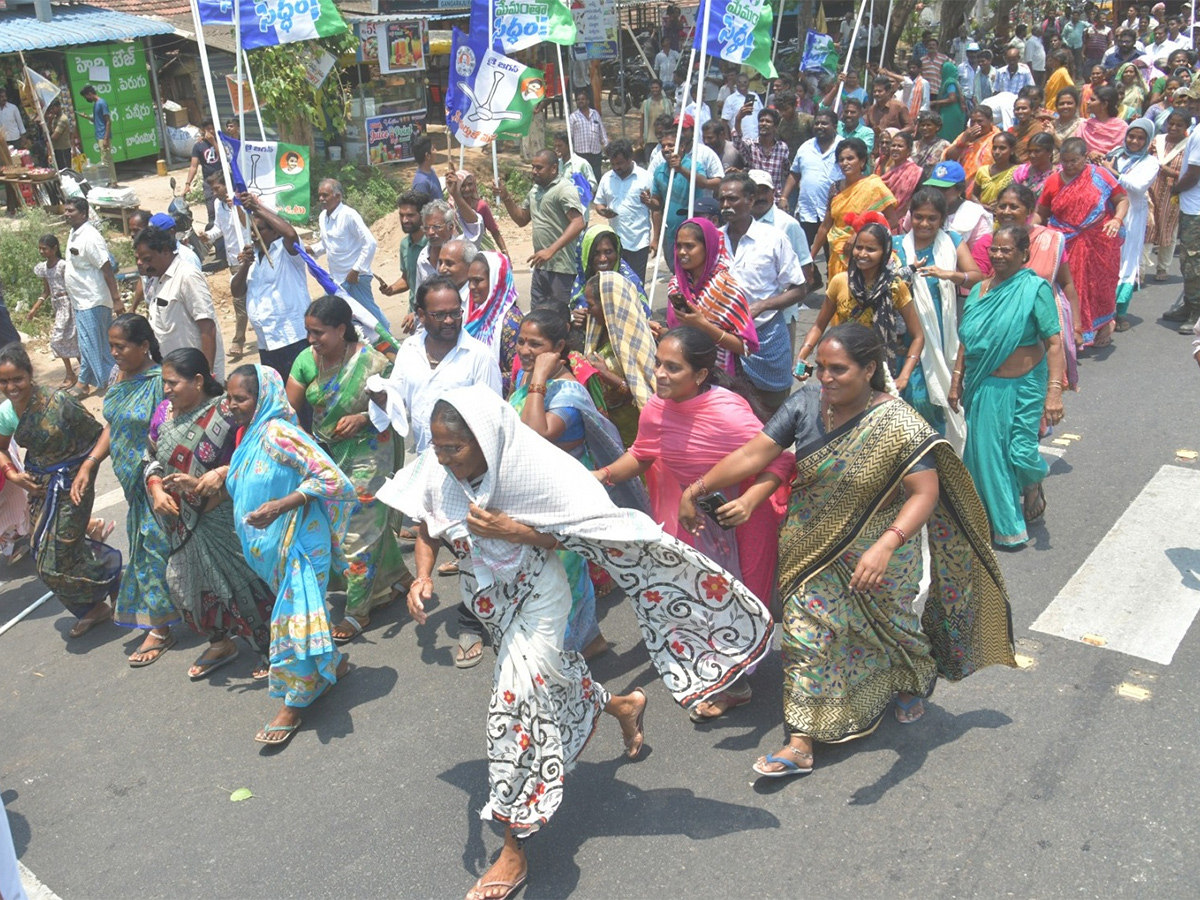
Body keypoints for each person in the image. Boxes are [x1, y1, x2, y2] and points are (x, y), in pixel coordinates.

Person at [384, 385, 771, 898]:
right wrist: (422, 577)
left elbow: (581, 531)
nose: (443, 457)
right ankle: (622, 705)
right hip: (489, 601)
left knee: (515, 701)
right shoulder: (439, 471)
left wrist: (515, 531)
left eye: (453, 447)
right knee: (556, 678)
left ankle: (514, 845)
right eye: (437, 447)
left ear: (486, 440)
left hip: (540, 597)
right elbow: (428, 527)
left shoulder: (537, 469)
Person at [680, 323, 1016, 777]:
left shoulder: (897, 422)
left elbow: (924, 492)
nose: (826, 378)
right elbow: (753, 455)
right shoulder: (804, 404)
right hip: (808, 546)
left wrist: (885, 545)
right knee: (804, 637)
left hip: (882, 553)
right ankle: (800, 741)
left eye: (839, 369)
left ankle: (908, 678)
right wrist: (698, 488)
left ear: (869, 370)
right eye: (821, 368)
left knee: (890, 629)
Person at [600, 326, 794, 717]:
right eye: (658, 364)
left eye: (672, 367)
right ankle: (723, 671)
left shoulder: (727, 412)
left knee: (739, 600)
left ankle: (736, 685)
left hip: (742, 519)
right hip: (695, 520)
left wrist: (752, 500)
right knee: (700, 599)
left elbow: (782, 459)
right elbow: (641, 454)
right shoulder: (658, 406)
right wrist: (599, 477)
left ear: (701, 375)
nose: (659, 374)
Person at [222, 365, 355, 746]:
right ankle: (331, 665)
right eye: (229, 398)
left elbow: (333, 479)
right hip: (270, 553)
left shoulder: (280, 433)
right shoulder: (249, 435)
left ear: (262, 398)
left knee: (295, 622)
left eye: (240, 398)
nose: (231, 406)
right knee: (304, 617)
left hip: (299, 543)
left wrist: (280, 506)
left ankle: (293, 704)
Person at [143, 349, 275, 679]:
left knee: (242, 584)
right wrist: (157, 488)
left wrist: (220, 474)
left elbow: (256, 453)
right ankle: (221, 642)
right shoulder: (165, 414)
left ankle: (271, 646)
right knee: (185, 586)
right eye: (165, 383)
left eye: (173, 383)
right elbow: (150, 457)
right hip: (179, 522)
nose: (167, 390)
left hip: (222, 514)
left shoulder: (225, 412)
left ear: (198, 381)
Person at [286, 297, 409, 644]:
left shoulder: (372, 362)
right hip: (327, 456)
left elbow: (398, 404)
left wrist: (364, 416)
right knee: (341, 528)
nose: (312, 340)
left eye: (319, 333)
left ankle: (357, 611)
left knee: (357, 531)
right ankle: (396, 578)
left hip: (372, 450)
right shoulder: (305, 360)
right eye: (308, 332)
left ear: (341, 329)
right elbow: (288, 410)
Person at [507, 308, 627, 656]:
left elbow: (535, 434)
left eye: (536, 344)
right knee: (542, 574)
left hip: (564, 497)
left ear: (558, 347)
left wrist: (539, 379)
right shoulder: (527, 380)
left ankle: (572, 646)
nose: (525, 351)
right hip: (533, 494)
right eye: (521, 342)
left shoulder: (569, 393)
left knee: (565, 574)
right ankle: (587, 640)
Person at [949, 226, 1066, 548]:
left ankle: (1032, 484)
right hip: (984, 383)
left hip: (1026, 384)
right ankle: (1001, 523)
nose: (998, 255)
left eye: (1007, 250)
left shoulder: (1034, 289)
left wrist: (1053, 392)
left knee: (1022, 452)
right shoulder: (979, 291)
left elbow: (1053, 343)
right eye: (994, 249)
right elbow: (967, 341)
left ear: (1023, 254)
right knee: (987, 456)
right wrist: (956, 380)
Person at [69, 315, 175, 665]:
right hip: (131, 484)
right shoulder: (118, 377)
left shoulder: (162, 381)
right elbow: (113, 426)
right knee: (153, 548)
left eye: (120, 346)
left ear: (144, 345)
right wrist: (91, 462)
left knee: (151, 550)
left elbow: (175, 427)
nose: (113, 352)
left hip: (158, 480)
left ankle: (160, 626)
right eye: (110, 346)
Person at [0, 343, 121, 637]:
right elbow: (1, 449)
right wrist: (13, 475)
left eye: (17, 378)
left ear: (30, 375)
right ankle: (92, 607)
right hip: (40, 486)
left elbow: (98, 434)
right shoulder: (6, 412)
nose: (11, 386)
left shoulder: (59, 401)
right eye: (3, 381)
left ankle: (109, 572)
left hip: (74, 482)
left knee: (55, 557)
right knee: (43, 554)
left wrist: (87, 469)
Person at [367, 276, 502, 455]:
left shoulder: (479, 356)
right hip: (424, 458)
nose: (448, 321)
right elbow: (397, 397)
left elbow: (492, 417)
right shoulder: (409, 349)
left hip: (467, 463)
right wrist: (382, 398)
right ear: (421, 315)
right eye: (439, 315)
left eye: (455, 313)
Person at [892, 187, 980, 448]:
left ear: (942, 219)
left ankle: (934, 456)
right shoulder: (896, 245)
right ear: (911, 216)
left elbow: (976, 276)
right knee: (900, 396)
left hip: (938, 335)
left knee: (928, 398)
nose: (924, 223)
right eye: (919, 217)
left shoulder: (952, 242)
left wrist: (950, 275)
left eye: (932, 218)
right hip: (902, 333)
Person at [970, 183, 1082, 386]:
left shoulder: (1050, 240)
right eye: (1002, 206)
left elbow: (1066, 283)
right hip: (1000, 327)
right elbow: (979, 287)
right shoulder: (988, 243)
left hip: (1044, 323)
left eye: (1014, 207)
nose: (1006, 212)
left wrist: (1075, 326)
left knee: (1041, 387)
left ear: (1029, 211)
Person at [798, 216, 925, 391]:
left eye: (871, 249)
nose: (863, 254)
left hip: (877, 373)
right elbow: (819, 325)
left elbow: (918, 336)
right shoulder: (840, 282)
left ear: (885, 253)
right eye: (859, 247)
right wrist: (803, 355)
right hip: (839, 369)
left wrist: (904, 376)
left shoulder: (894, 287)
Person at [718, 173, 807, 415]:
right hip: (724, 340)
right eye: (722, 199)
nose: (726, 205)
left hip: (766, 337)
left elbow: (800, 288)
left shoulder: (773, 238)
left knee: (772, 413)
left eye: (732, 199)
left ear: (750, 199)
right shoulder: (713, 240)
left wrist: (763, 305)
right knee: (730, 411)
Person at [1036, 136, 1130, 347]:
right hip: (1065, 242)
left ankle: (1104, 323)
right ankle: (1070, 333)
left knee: (1099, 285)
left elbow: (1122, 199)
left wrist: (1116, 219)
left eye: (1074, 161)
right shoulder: (1053, 181)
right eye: (1065, 161)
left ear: (1085, 158)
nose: (1068, 166)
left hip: (1099, 241)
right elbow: (1041, 213)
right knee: (1066, 287)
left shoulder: (1101, 176)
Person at [230, 191, 311, 379]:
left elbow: (290, 233)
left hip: (292, 338)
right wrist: (245, 265)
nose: (254, 235)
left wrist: (256, 207)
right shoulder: (252, 258)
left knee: (301, 393)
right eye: (251, 230)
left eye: (259, 230)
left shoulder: (286, 252)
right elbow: (236, 291)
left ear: (274, 231)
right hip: (267, 342)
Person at [663, 217, 757, 375]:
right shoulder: (676, 285)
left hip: (718, 377)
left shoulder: (726, 289)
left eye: (689, 246)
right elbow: (677, 332)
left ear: (708, 247)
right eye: (678, 246)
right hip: (680, 375)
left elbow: (746, 347)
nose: (681, 252)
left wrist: (703, 325)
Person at [496, 149, 586, 311]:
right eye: (533, 167)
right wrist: (506, 198)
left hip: (561, 269)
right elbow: (522, 219)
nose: (534, 171)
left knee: (558, 318)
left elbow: (578, 223)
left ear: (553, 168)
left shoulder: (564, 189)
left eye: (539, 168)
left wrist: (551, 250)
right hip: (540, 267)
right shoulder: (535, 191)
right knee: (537, 318)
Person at [134, 226, 224, 379]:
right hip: (173, 371)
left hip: (193, 373)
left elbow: (207, 327)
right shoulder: (157, 278)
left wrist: (205, 375)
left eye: (147, 259)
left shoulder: (187, 276)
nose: (140, 263)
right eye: (138, 258)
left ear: (165, 251)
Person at [578, 271, 656, 446]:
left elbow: (647, 394)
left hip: (633, 432)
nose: (588, 311)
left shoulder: (634, 338)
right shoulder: (596, 334)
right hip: (608, 426)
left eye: (591, 305)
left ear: (607, 304)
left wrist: (610, 378)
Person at [1099, 117, 1158, 331]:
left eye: (1140, 138)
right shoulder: (1115, 154)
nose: (1134, 141)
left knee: (1126, 261)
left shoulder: (1151, 162)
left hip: (1132, 215)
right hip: (1108, 212)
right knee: (1106, 260)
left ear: (1148, 140)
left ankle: (1121, 311)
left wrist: (1112, 172)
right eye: (1131, 136)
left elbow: (1137, 187)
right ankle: (1102, 310)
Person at [811, 138, 898, 281]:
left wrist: (859, 235)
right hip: (837, 252)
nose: (845, 163)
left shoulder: (874, 186)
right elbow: (825, 225)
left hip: (865, 254)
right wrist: (811, 256)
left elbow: (892, 221)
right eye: (841, 160)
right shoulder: (835, 188)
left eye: (850, 158)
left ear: (862, 161)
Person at [63, 197, 121, 397]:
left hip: (93, 300)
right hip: (80, 300)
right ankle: (85, 382)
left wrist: (117, 299)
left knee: (92, 345)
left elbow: (106, 268)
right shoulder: (74, 233)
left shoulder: (90, 237)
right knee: (91, 344)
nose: (67, 214)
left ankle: (110, 381)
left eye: (71, 211)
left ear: (84, 214)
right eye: (66, 210)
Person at [309, 178, 387, 327]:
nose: (321, 199)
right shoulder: (322, 217)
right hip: (336, 280)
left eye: (325, 195)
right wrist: (308, 249)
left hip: (355, 279)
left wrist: (356, 270)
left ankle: (391, 344)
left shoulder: (349, 215)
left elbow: (370, 242)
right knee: (334, 317)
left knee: (372, 318)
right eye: (320, 195)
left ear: (338, 196)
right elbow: (327, 244)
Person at [646, 117, 725, 263]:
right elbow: (657, 206)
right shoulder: (659, 171)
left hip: (694, 230)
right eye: (663, 146)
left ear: (681, 147)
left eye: (670, 145)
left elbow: (703, 182)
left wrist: (681, 169)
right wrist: (648, 202)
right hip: (671, 232)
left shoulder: (694, 164)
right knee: (673, 266)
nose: (666, 149)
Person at [201, 172, 249, 353]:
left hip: (247, 258)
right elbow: (219, 229)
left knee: (239, 301)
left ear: (226, 185)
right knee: (242, 298)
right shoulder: (218, 204)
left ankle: (238, 341)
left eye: (217, 188)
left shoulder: (242, 200)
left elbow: (247, 225)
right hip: (232, 259)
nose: (214, 193)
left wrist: (236, 206)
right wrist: (208, 236)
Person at [593, 139, 654, 281]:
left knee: (636, 284)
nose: (616, 167)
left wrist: (655, 239)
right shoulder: (607, 178)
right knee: (617, 284)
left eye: (619, 163)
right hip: (615, 243)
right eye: (613, 164)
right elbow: (599, 203)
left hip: (639, 241)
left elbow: (656, 209)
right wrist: (603, 211)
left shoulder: (645, 177)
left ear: (630, 159)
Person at [781, 109, 841, 252]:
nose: (819, 126)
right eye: (817, 123)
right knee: (802, 255)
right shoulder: (805, 147)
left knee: (831, 257)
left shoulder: (843, 147)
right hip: (807, 210)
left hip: (833, 212)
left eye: (824, 124)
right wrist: (784, 197)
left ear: (835, 126)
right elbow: (795, 174)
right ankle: (813, 275)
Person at [465, 250, 523, 388]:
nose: (471, 287)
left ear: (497, 280)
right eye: (470, 281)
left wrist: (476, 377)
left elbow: (518, 374)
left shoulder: (511, 322)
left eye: (478, 281)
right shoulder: (473, 315)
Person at [378, 189, 431, 334]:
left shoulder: (433, 244)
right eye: (401, 215)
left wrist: (420, 314)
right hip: (413, 317)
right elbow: (408, 279)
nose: (405, 220)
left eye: (410, 215)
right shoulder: (404, 245)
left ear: (423, 216)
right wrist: (391, 289)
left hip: (433, 316)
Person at [29, 234, 79, 389]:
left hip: (70, 303)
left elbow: (73, 285)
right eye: (40, 249)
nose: (42, 252)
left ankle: (80, 372)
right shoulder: (44, 268)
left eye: (44, 249)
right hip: (58, 306)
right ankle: (70, 372)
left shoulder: (63, 265)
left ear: (54, 248)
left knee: (72, 338)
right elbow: (46, 291)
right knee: (60, 339)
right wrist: (35, 308)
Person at [1147, 109, 1189, 282]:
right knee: (1148, 226)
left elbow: (1191, 173)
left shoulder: (1188, 145)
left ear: (1186, 127)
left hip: (1172, 193)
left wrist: (1169, 171)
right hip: (1151, 189)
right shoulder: (1158, 140)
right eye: (1171, 123)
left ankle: (1163, 266)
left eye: (1179, 125)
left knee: (1169, 229)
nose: (1173, 127)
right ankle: (1140, 268)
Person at [924, 160, 994, 250]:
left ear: (960, 189)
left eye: (944, 188)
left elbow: (980, 255)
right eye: (934, 187)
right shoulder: (921, 209)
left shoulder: (974, 216)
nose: (938, 193)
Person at [732, 107, 791, 200]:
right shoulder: (751, 145)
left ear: (775, 127)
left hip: (774, 199)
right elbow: (737, 142)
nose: (763, 123)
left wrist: (783, 198)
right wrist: (738, 120)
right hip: (753, 198)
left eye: (768, 121)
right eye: (761, 121)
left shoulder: (782, 148)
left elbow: (787, 173)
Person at [452, 169, 507, 254]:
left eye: (470, 184)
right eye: (462, 186)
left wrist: (504, 251)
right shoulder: (452, 208)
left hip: (483, 251)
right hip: (461, 253)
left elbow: (494, 230)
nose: (467, 189)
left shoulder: (481, 206)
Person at [945, 105, 999, 185]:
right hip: (960, 183)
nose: (976, 125)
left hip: (987, 183)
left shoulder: (997, 138)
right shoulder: (965, 135)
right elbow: (948, 157)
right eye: (973, 121)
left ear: (990, 120)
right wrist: (963, 141)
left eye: (980, 121)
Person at [879, 130, 925, 222]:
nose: (895, 148)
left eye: (900, 146)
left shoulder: (915, 172)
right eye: (893, 145)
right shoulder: (885, 169)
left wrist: (896, 219)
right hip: (883, 218)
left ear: (909, 150)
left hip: (904, 221)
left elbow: (918, 199)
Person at [183, 122, 220, 229]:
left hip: (222, 180)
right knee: (211, 208)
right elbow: (193, 166)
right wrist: (187, 183)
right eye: (208, 129)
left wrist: (213, 143)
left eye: (213, 129)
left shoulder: (220, 142)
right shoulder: (198, 146)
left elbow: (224, 157)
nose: (211, 131)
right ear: (203, 130)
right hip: (208, 181)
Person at [78, 84, 116, 185]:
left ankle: (113, 182)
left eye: (86, 96)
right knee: (105, 160)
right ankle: (110, 181)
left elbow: (108, 121)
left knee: (107, 160)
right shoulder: (96, 104)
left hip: (103, 136)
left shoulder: (101, 103)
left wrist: (105, 138)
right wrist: (87, 117)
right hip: (100, 136)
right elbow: (97, 121)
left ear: (90, 94)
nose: (86, 98)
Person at [569, 89, 609, 178]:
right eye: (578, 100)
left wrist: (607, 146)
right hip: (581, 154)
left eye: (582, 99)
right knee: (583, 180)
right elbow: (569, 136)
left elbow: (602, 131)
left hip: (595, 153)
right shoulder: (573, 117)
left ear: (588, 101)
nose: (580, 101)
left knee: (597, 177)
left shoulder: (595, 114)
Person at [1080, 86, 1130, 157]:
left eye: (1092, 100)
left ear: (1104, 105)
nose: (1088, 102)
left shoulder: (1122, 127)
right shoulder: (1085, 126)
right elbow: (1077, 151)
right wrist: (1089, 154)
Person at [974, 131, 1020, 208]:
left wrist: (1001, 204)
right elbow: (974, 195)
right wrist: (982, 206)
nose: (997, 152)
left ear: (1012, 150)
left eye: (1002, 148)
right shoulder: (983, 170)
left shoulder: (1017, 172)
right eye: (994, 148)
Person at [1012, 131, 1060, 201]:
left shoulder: (1059, 174)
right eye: (1030, 151)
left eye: (1037, 151)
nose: (1032, 155)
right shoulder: (1021, 171)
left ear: (1049, 152)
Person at [722, 72, 764, 142]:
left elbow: (762, 114)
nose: (742, 84)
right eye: (740, 82)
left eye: (745, 82)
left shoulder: (755, 96)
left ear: (748, 83)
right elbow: (724, 120)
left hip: (756, 138)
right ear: (736, 83)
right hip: (740, 140)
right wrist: (726, 137)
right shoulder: (730, 99)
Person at [932, 60, 967, 141]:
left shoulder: (950, 82)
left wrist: (934, 102)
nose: (940, 72)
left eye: (941, 70)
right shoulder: (951, 81)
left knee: (946, 135)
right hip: (951, 110)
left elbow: (952, 98)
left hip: (950, 112)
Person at [911, 111, 951, 177]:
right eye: (922, 125)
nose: (925, 128)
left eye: (928, 125)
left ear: (937, 127)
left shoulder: (944, 145)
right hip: (913, 179)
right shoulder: (913, 145)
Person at [641, 79, 674, 161]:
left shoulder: (667, 102)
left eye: (656, 87)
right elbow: (642, 120)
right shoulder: (646, 103)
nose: (654, 89)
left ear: (661, 89)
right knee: (649, 160)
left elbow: (671, 119)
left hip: (664, 136)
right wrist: (640, 136)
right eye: (653, 88)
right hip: (650, 138)